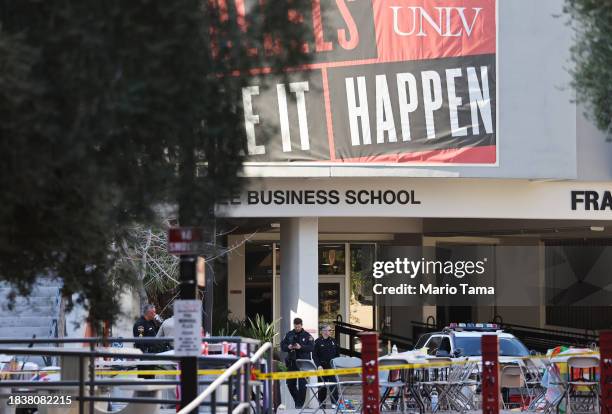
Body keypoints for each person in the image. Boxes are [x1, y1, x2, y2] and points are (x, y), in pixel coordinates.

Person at [281, 317, 314, 408]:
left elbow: (312, 348)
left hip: (303, 363)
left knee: (303, 385)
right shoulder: (289, 334)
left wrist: (301, 347)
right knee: (290, 384)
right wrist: (289, 347)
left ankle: (299, 405)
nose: (297, 328)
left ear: (301, 325)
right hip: (292, 362)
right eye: (296, 327)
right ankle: (297, 401)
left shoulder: (307, 335)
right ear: (294, 325)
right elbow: (282, 346)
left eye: (299, 327)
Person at [313, 325, 340, 407]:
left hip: (332, 367)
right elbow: (314, 355)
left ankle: (334, 404)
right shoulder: (317, 342)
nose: (330, 332)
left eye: (330, 330)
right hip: (322, 367)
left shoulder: (334, 341)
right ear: (324, 331)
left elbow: (337, 354)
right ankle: (322, 405)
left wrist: (337, 364)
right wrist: (318, 365)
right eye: (329, 330)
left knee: (333, 385)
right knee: (322, 387)